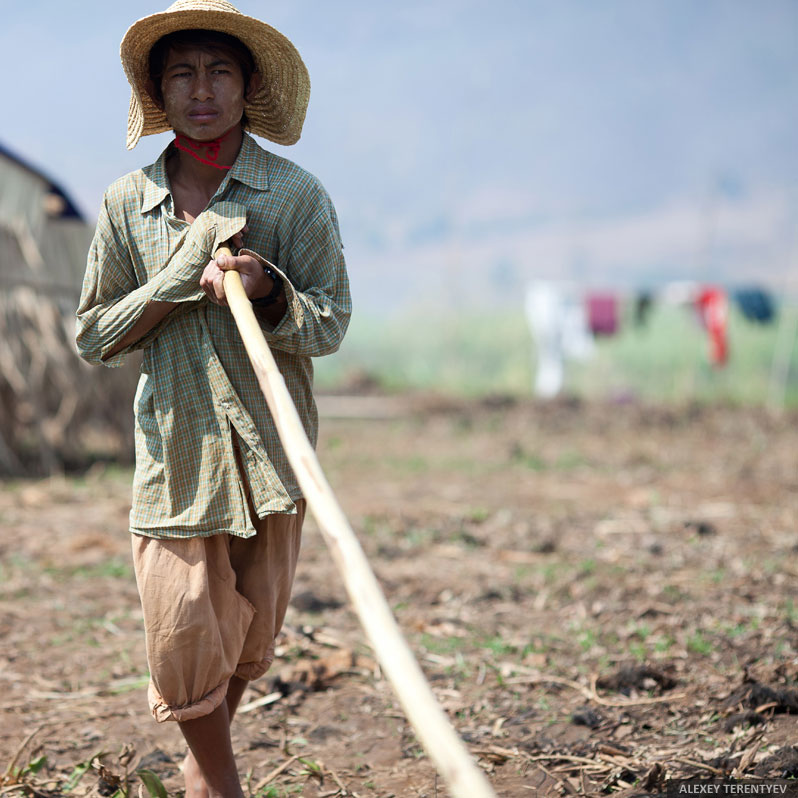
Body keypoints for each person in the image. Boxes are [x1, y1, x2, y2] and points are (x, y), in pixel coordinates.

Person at [75, 2, 351, 796]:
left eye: (219, 70)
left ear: (248, 84)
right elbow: (95, 335)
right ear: (159, 92)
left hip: (274, 446)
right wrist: (176, 276)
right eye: (183, 73)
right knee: (183, 628)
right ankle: (224, 786)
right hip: (178, 451)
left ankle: (203, 770)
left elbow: (329, 322)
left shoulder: (294, 197)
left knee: (249, 632)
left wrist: (267, 289)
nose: (202, 89)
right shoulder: (129, 204)